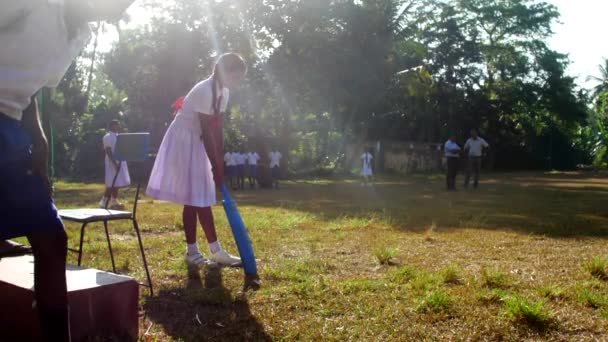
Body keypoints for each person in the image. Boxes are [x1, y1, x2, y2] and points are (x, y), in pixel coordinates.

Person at [0, 1, 134, 340]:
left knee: (51, 237)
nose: (121, 9)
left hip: (12, 131)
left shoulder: (79, 33)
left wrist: (39, 138)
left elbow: (28, 89)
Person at [146, 53, 247, 268]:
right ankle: (193, 253)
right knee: (194, 197)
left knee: (202, 196)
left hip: (199, 141)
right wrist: (215, 165)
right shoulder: (203, 91)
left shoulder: (224, 93)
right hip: (184, 141)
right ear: (224, 72)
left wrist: (220, 161)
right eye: (237, 77)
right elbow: (206, 130)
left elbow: (217, 128)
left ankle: (215, 250)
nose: (239, 82)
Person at [100, 120, 131, 208]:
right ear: (112, 126)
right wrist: (114, 163)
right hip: (111, 162)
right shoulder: (107, 137)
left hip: (120, 161)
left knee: (117, 182)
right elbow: (108, 151)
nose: (118, 127)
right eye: (117, 125)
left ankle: (114, 201)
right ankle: (103, 202)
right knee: (111, 182)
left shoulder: (119, 136)